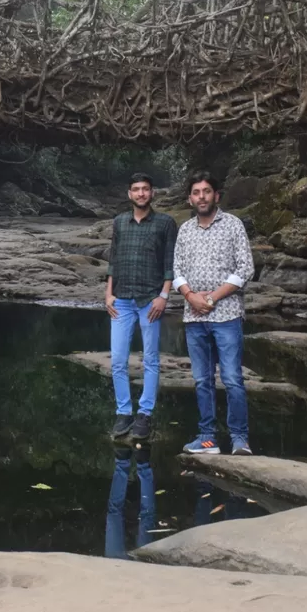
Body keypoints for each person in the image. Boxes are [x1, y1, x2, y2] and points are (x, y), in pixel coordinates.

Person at [172, 172, 255, 455]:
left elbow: (245, 269)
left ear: (216, 195)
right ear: (190, 198)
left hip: (227, 315)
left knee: (232, 378)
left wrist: (212, 297)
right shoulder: (185, 230)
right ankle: (207, 439)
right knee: (202, 380)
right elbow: (177, 271)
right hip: (194, 317)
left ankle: (239, 440)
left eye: (207, 191)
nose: (202, 197)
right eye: (196, 192)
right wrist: (191, 296)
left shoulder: (233, 225)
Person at [104, 173, 177, 441]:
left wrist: (164, 296)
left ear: (152, 193)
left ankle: (144, 414)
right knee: (119, 361)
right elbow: (114, 259)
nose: (141, 193)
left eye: (145, 189)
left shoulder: (165, 223)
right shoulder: (119, 222)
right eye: (136, 189)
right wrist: (108, 293)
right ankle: (124, 413)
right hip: (121, 300)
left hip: (150, 300)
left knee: (150, 360)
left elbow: (170, 262)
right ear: (129, 194)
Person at [104, 443, 155, 559]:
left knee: (114, 512)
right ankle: (142, 461)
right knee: (146, 515)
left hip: (116, 568)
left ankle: (124, 458)